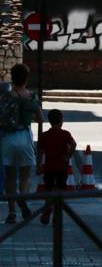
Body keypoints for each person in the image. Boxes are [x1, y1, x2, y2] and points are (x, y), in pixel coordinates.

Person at [1, 64, 43, 224]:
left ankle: (11, 212)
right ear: (26, 78)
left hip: (8, 138)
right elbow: (40, 119)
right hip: (24, 136)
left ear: (12, 77)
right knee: (25, 176)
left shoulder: (6, 96)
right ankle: (22, 198)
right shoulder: (31, 97)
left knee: (10, 177)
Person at [37, 109, 76, 225]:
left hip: (49, 167)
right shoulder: (65, 134)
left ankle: (48, 208)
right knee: (60, 190)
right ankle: (57, 215)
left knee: (48, 189)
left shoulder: (44, 135)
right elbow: (74, 144)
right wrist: (68, 156)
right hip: (62, 167)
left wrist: (39, 166)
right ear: (61, 121)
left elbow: (40, 152)